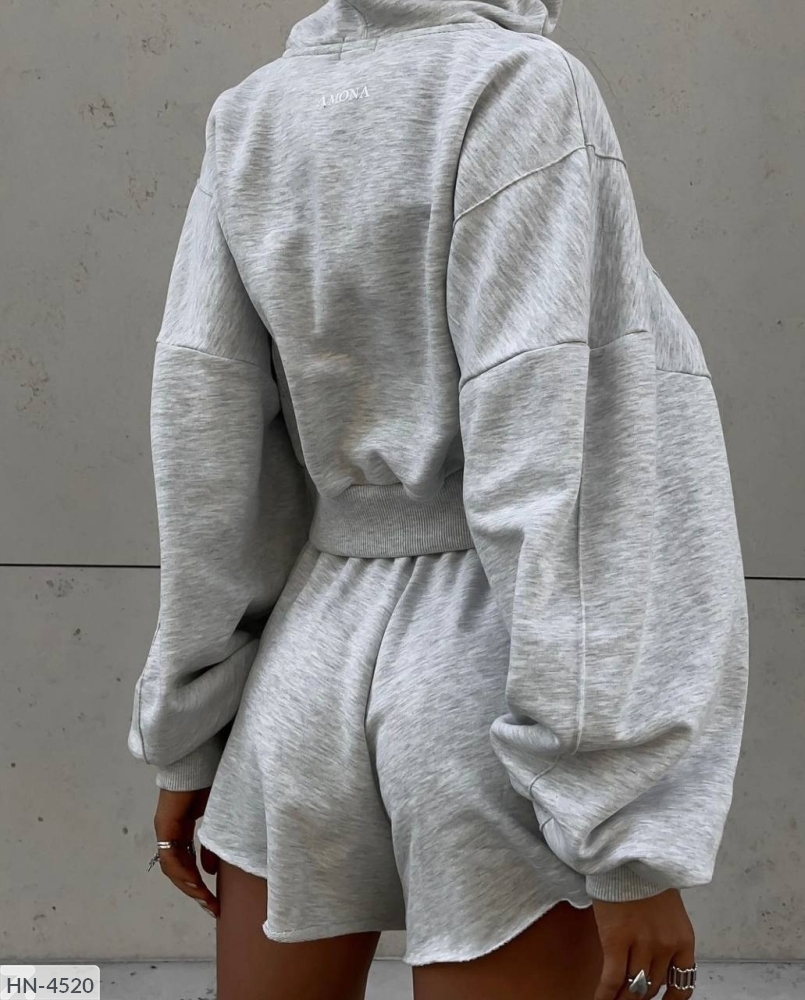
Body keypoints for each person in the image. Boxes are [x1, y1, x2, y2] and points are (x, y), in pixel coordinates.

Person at [127, 1, 749, 998]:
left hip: (308, 659)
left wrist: (188, 737)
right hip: (491, 674)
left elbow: (206, 434)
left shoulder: (252, 112)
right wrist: (623, 840)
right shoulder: (519, 86)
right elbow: (552, 449)